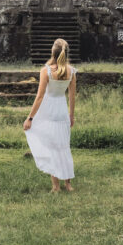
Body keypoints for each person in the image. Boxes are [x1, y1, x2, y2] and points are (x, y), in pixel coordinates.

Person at [23, 37, 76, 192]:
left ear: (53, 51)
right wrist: (71, 116)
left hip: (48, 109)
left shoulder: (46, 71)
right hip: (61, 109)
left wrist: (30, 118)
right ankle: (68, 184)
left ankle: (56, 186)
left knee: (52, 147)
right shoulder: (71, 71)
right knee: (64, 146)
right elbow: (72, 96)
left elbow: (39, 97)